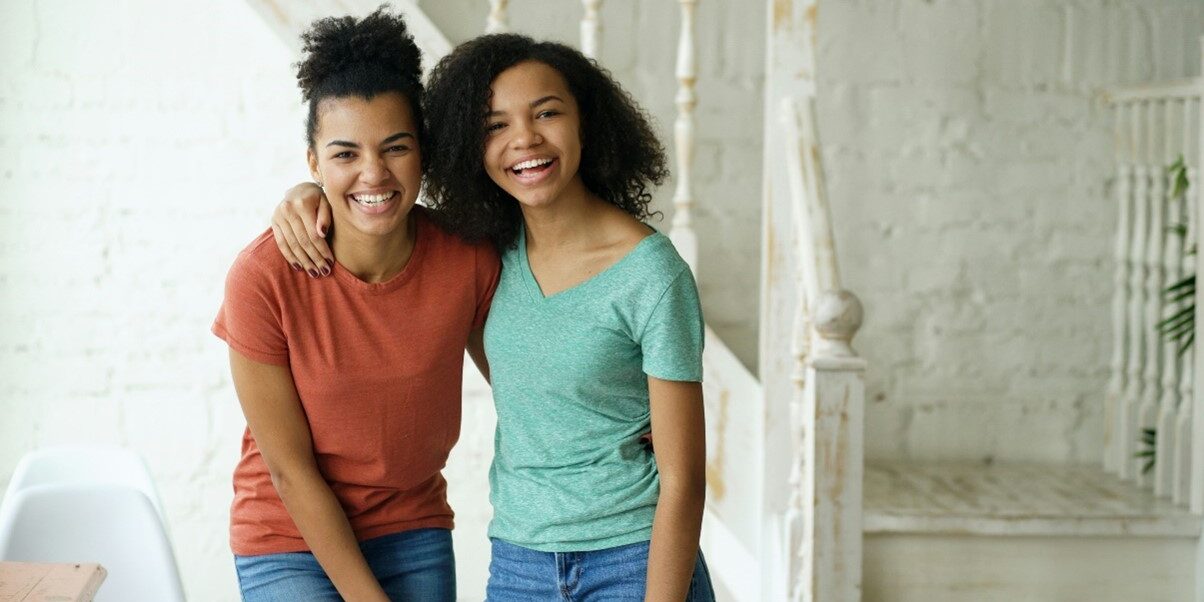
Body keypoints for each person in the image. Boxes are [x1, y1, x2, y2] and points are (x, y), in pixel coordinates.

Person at [272, 34, 714, 601]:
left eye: (546, 113)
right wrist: (306, 194)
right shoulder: (483, 256)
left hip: (633, 556)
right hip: (520, 564)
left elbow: (684, 482)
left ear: (585, 122)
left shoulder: (651, 274)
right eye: (496, 125)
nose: (524, 138)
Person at [212, 9, 498, 601]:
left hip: (411, 526)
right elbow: (290, 472)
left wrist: (624, 421)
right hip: (287, 537)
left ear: (423, 153)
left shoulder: (466, 260)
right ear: (313, 163)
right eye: (345, 154)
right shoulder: (264, 278)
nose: (373, 173)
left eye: (396, 147)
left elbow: (525, 380)